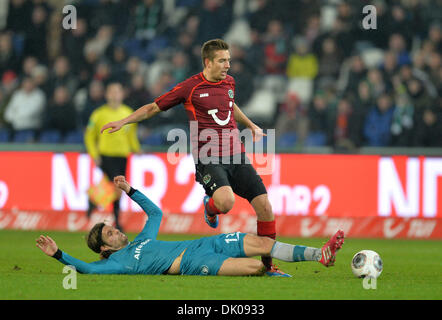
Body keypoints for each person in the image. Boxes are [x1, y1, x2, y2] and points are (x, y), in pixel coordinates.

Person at [100, 39, 287, 276]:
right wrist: (123, 121)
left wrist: (250, 124)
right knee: (226, 203)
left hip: (235, 153)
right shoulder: (190, 87)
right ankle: (210, 207)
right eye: (222, 60)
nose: (228, 65)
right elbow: (152, 107)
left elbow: (229, 105)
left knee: (266, 208)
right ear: (208, 62)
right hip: (207, 156)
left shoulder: (230, 82)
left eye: (229, 60)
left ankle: (269, 267)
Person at [36, 175, 345, 276]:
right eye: (109, 233)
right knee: (255, 267)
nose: (115, 230)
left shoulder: (140, 240)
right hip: (193, 262)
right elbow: (89, 270)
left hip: (202, 243)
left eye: (112, 227)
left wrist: (129, 190)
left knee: (263, 244)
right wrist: (58, 254)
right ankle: (272, 274)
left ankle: (321, 255)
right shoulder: (118, 264)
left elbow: (155, 214)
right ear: (104, 248)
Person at [84, 82, 141, 231]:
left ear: (122, 94)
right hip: (106, 155)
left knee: (117, 188)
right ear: (107, 95)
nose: (115, 95)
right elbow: (89, 137)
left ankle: (94, 200)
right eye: (112, 92)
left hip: (122, 155)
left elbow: (131, 136)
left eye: (117, 92)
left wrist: (136, 149)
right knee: (117, 186)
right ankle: (116, 220)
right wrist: (94, 154)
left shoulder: (128, 113)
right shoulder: (98, 114)